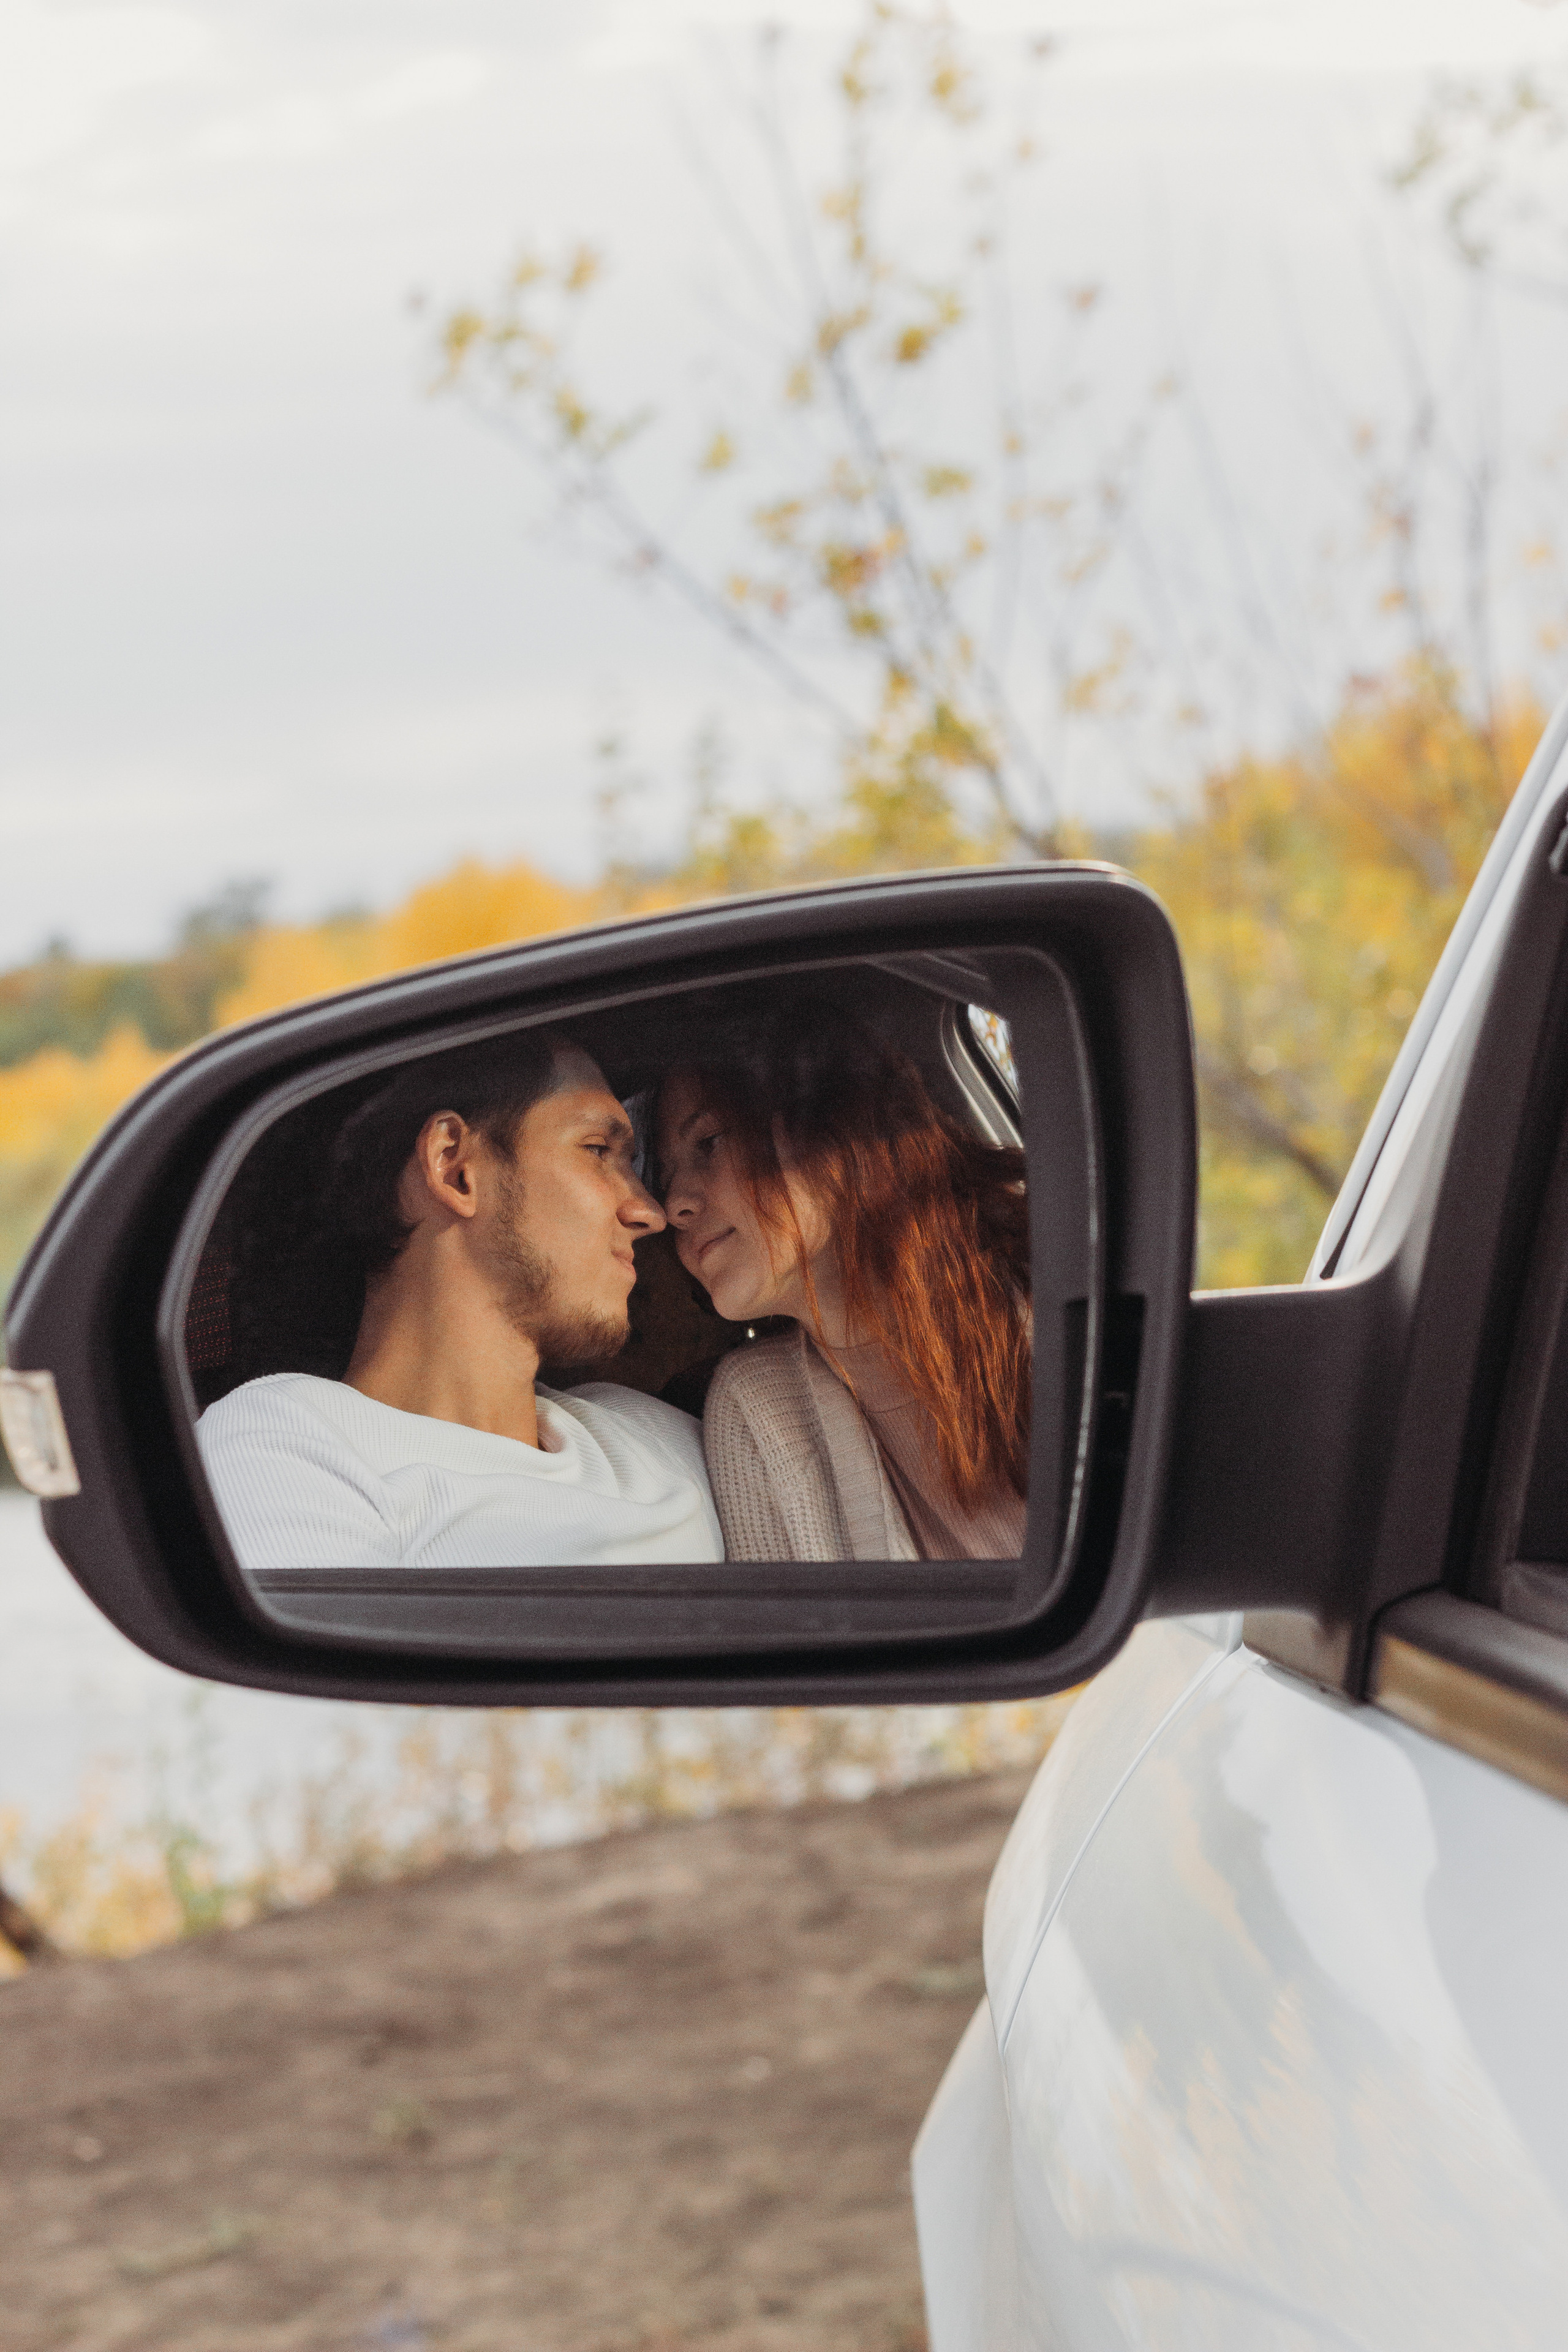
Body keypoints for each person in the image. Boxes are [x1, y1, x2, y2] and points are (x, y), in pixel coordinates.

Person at [198, 1031, 723, 1569]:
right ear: (455, 1167)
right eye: (598, 1151)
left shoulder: (673, 1437)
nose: (649, 1213)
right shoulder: (288, 1448)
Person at [656, 1001, 1029, 1562]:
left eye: (709, 1143)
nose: (673, 1206)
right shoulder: (755, 1408)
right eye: (664, 1178)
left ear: (832, 1129)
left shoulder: (1049, 1294)